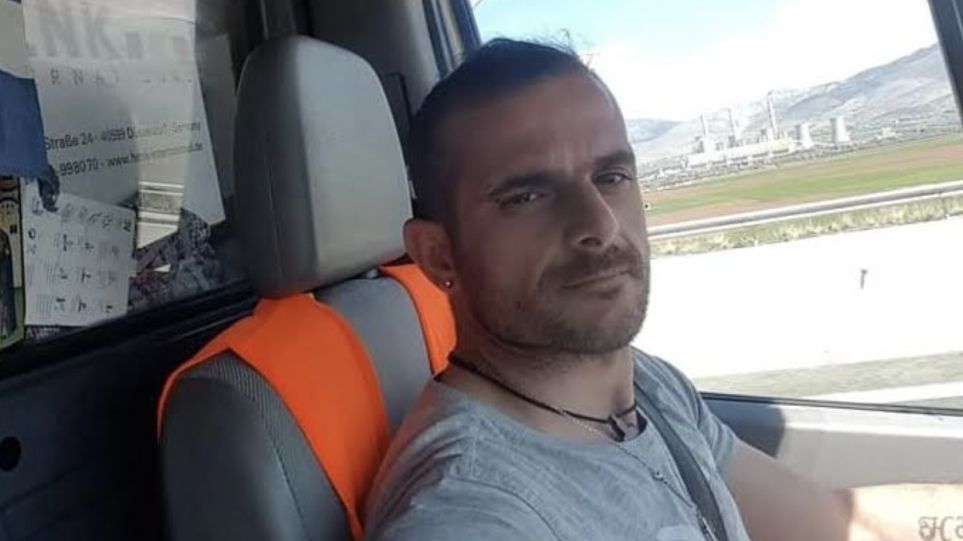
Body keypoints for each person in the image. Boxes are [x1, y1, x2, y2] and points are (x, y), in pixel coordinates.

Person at [364, 39, 963, 541]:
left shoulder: (642, 389)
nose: (599, 223)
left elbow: (837, 521)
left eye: (611, 176)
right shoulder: (471, 510)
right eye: (527, 196)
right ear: (438, 255)